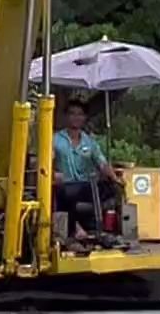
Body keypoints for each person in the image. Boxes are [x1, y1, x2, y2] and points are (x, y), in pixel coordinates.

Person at [51, 98, 120, 241]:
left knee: (110, 189)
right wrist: (52, 174)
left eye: (80, 114)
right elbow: (44, 162)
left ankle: (107, 230)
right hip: (64, 185)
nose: (76, 117)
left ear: (84, 118)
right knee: (64, 193)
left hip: (84, 186)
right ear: (66, 117)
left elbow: (101, 163)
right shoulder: (55, 139)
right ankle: (74, 229)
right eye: (72, 114)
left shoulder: (90, 142)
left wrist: (115, 178)